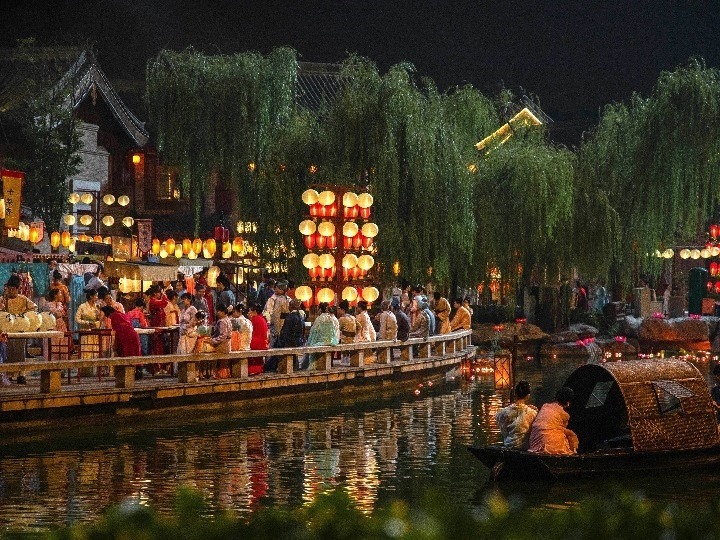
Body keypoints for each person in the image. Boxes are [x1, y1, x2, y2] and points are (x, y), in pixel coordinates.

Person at [528, 387, 579, 455]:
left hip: (534, 441)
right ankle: (573, 453)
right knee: (571, 435)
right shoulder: (565, 415)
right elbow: (563, 429)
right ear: (568, 402)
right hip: (550, 442)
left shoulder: (545, 406)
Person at [494, 381, 538, 449]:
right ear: (528, 396)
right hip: (524, 447)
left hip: (508, 445)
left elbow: (504, 431)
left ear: (515, 394)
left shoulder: (503, 412)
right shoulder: (532, 413)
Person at [306, 302, 339, 369]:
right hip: (330, 341)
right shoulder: (330, 318)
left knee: (311, 345)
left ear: (320, 309)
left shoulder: (319, 318)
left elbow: (314, 332)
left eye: (318, 309)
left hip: (320, 342)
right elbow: (333, 331)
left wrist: (309, 341)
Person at [248, 303, 269, 376]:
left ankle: (252, 370)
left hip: (256, 342)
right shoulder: (262, 318)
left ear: (254, 311)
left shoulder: (255, 319)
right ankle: (259, 369)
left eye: (250, 311)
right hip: (263, 342)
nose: (248, 313)